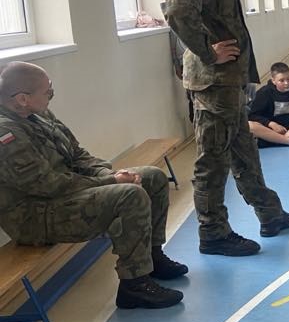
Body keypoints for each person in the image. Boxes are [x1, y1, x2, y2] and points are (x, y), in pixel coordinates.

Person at [165, 0, 289, 256]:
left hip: (229, 81)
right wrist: (209, 52)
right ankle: (213, 233)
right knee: (213, 160)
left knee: (243, 150)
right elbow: (177, 11)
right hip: (214, 82)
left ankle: (269, 213)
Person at [0, 62, 187, 309]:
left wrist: (109, 173)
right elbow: (47, 184)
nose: (51, 96)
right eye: (48, 92)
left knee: (153, 177)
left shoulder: (39, 114)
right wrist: (110, 181)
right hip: (34, 216)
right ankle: (134, 285)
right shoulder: (6, 133)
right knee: (129, 195)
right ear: (22, 99)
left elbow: (77, 154)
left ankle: (153, 257)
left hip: (64, 197)